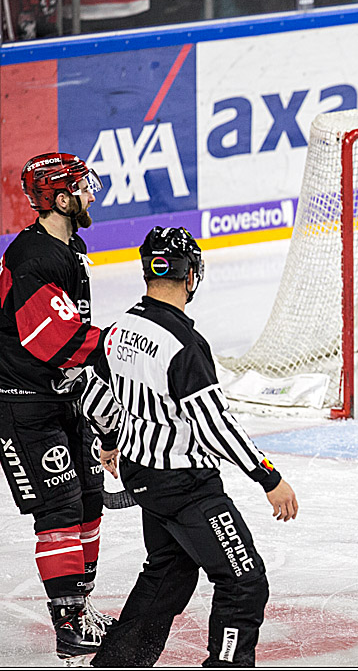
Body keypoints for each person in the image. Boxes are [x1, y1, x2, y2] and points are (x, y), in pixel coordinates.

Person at [80, 226, 299, 666]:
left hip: (142, 476)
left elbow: (93, 396)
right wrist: (268, 476)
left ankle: (116, 663)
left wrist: (108, 441)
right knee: (244, 582)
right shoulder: (184, 345)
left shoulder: (119, 328)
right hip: (186, 486)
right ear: (191, 275)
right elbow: (215, 424)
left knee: (170, 572)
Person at [0, 152, 114, 663]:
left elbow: (72, 348)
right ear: (61, 199)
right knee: (60, 509)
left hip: (61, 399)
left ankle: (81, 612)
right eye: (84, 188)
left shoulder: (70, 247)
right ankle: (68, 625)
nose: (92, 195)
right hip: (24, 409)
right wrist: (122, 345)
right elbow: (60, 343)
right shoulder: (34, 259)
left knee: (89, 501)